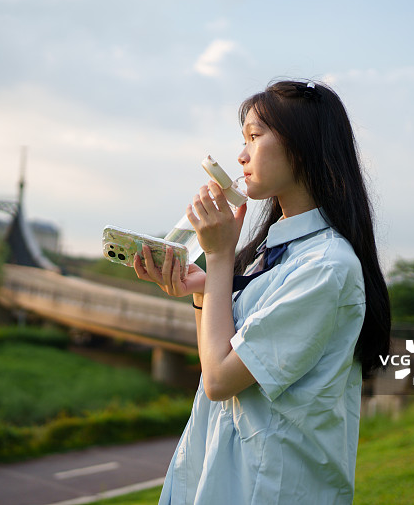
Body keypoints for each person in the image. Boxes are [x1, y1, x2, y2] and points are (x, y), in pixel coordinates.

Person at [133, 79, 391, 504]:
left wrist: (217, 260)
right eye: (243, 139)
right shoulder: (274, 253)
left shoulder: (325, 266)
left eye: (255, 137)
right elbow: (221, 354)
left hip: (272, 488)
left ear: (302, 146)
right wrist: (205, 291)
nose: (241, 155)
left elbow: (219, 379)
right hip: (226, 477)